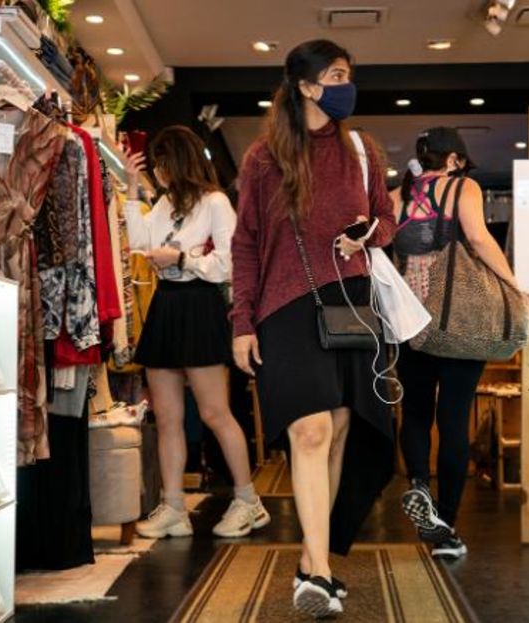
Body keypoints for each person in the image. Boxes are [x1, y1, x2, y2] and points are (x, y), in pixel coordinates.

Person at [231, 40, 397, 618]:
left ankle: (311, 559)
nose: (347, 84)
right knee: (310, 431)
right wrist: (241, 321)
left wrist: (366, 232)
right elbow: (246, 242)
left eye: (348, 73)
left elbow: (387, 219)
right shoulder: (262, 158)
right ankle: (320, 575)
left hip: (349, 299)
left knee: (341, 429)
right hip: (283, 308)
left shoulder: (361, 148)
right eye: (336, 74)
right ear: (304, 86)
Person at [124, 126, 269, 540]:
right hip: (166, 304)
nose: (159, 172)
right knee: (168, 417)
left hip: (201, 304)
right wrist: (134, 190)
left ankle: (248, 500)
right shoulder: (164, 202)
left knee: (213, 412)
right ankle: (173, 507)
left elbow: (230, 263)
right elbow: (139, 242)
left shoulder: (216, 202)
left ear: (179, 161)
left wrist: (183, 258)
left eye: (161, 164)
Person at [390, 127, 522, 559]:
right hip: (457, 317)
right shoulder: (463, 186)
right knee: (453, 418)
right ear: (455, 160)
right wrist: (513, 284)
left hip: (409, 321)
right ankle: (445, 526)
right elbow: (479, 239)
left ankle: (419, 491)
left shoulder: (398, 194)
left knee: (415, 414)